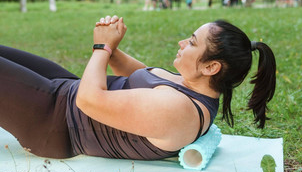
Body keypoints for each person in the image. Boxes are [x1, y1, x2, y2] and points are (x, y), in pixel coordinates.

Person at [0, 16, 276, 160]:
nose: (182, 42)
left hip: (54, 122)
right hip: (66, 91)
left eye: (192, 42)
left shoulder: (179, 110)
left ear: (211, 67)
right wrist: (113, 45)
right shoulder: (191, 84)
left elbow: (88, 101)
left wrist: (102, 47)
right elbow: (139, 75)